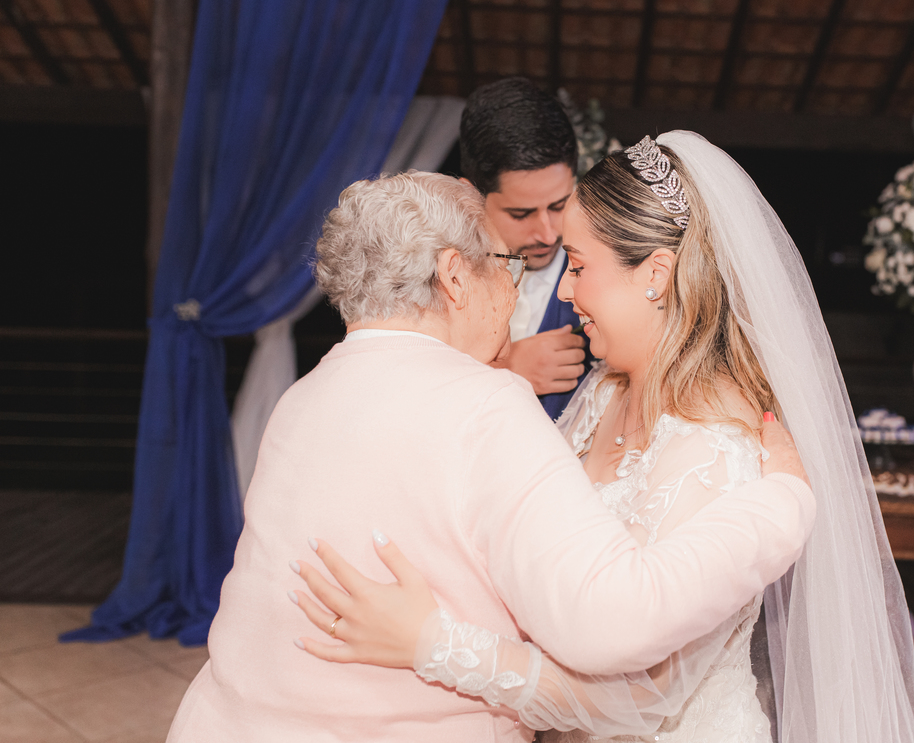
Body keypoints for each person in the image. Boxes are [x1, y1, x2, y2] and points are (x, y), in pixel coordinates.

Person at [290, 135, 914, 743]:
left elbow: (648, 694)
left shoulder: (721, 447)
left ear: (655, 273)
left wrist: (433, 642)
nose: (565, 291)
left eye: (578, 264)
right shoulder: (604, 390)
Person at [164, 170, 817, 743]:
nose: (550, 292)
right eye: (507, 265)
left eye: (577, 267)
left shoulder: (301, 400)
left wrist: (434, 640)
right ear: (454, 277)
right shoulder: (485, 405)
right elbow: (616, 619)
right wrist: (784, 506)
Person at [459, 76, 588, 417]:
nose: (548, 234)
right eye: (521, 214)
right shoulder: (435, 279)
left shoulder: (605, 275)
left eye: (559, 205)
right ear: (469, 197)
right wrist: (506, 368)